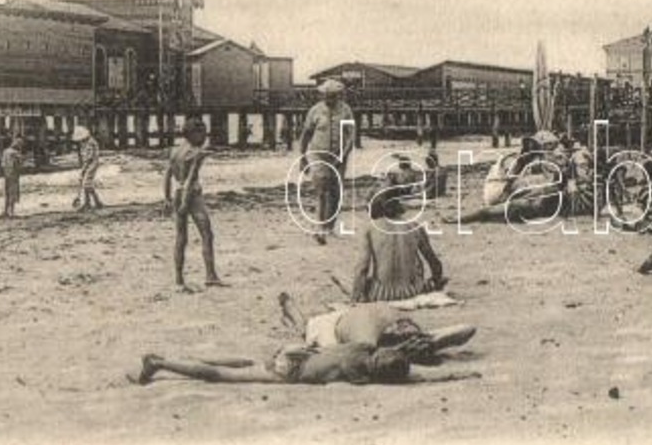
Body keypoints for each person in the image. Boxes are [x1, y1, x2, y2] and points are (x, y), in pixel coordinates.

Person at [132, 299, 477, 386]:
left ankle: (179, 358)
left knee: (238, 363)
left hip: (298, 354)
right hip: (290, 372)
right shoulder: (358, 373)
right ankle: (161, 362)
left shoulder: (364, 347)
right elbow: (416, 378)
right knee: (221, 377)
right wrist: (453, 377)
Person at [352, 177, 447, 303]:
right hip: (412, 291)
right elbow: (434, 262)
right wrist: (436, 281)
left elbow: (362, 267)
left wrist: (356, 297)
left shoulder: (369, 228)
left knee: (353, 280)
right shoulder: (414, 226)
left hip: (381, 294)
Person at [165, 117, 223, 290]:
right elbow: (190, 180)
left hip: (177, 192)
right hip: (192, 196)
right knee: (207, 235)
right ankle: (210, 275)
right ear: (194, 134)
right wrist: (185, 201)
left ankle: (179, 279)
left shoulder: (174, 151)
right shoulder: (196, 152)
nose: (205, 137)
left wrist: (167, 198)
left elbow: (167, 176)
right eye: (203, 133)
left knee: (181, 238)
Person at [299, 79, 357, 244]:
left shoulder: (346, 111)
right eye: (326, 96)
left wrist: (343, 155)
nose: (329, 99)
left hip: (339, 156)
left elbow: (351, 136)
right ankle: (320, 228)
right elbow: (306, 134)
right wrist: (302, 158)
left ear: (338, 95)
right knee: (322, 190)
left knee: (336, 192)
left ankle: (330, 227)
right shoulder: (315, 111)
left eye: (332, 96)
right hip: (318, 155)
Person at [72, 126, 103, 211]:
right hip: (89, 164)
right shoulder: (86, 142)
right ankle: (95, 202)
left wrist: (84, 168)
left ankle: (89, 203)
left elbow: (89, 157)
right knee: (87, 184)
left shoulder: (91, 143)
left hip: (92, 164)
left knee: (86, 183)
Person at [0, 135, 25, 218]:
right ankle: (11, 212)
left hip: (7, 174)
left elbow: (2, 164)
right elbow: (20, 164)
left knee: (7, 193)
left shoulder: (5, 151)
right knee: (13, 193)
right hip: (14, 174)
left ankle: (6, 210)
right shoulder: (16, 153)